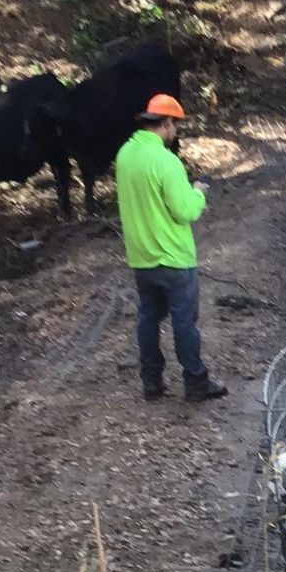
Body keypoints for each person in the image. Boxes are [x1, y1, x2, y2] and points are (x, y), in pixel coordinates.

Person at [114, 94, 227, 403]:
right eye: (174, 125)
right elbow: (185, 211)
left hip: (141, 255)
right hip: (174, 257)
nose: (175, 132)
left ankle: (151, 381)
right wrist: (198, 192)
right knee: (183, 321)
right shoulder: (166, 161)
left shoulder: (124, 155)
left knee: (148, 318)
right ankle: (195, 381)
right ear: (165, 123)